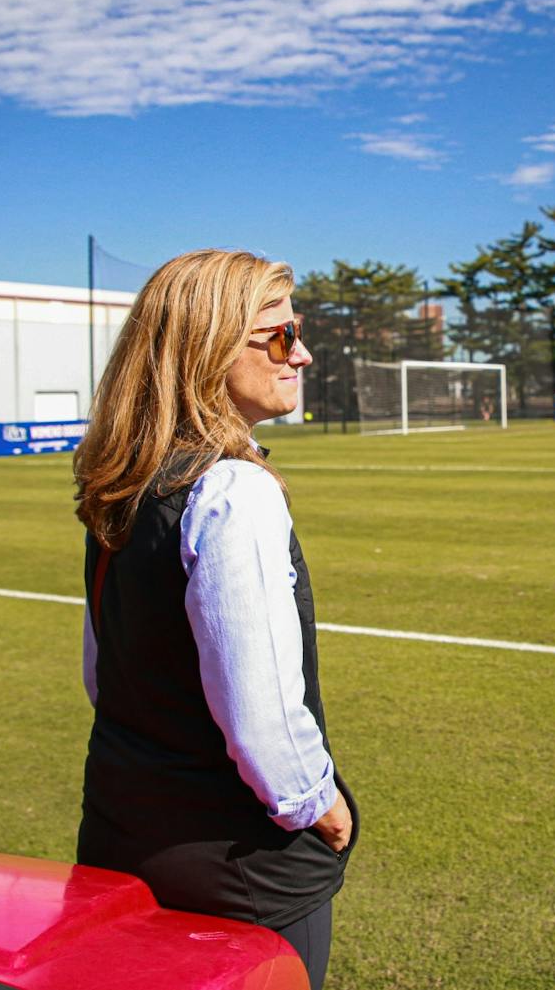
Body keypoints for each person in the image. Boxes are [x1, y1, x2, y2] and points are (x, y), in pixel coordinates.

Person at [74, 250, 355, 990]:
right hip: (237, 866)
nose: (301, 352)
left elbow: (102, 678)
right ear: (204, 350)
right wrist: (318, 804)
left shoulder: (123, 480)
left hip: (122, 831)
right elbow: (261, 714)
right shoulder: (234, 489)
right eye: (277, 336)